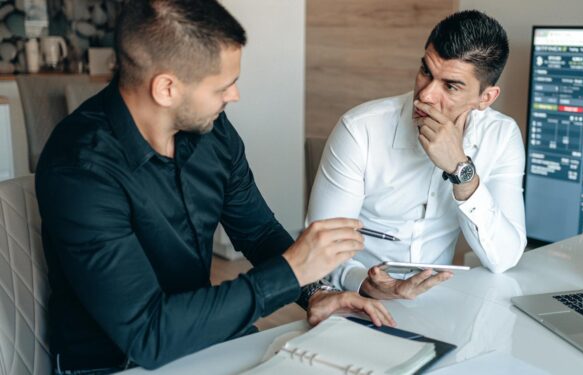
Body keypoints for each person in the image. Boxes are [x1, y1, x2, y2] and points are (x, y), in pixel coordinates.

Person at [36, 0, 393, 373]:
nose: (234, 95)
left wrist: (315, 292)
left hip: (205, 338)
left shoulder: (213, 133)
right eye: (224, 85)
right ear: (167, 88)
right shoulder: (79, 168)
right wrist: (290, 272)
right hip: (116, 362)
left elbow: (256, 231)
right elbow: (148, 335)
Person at [307, 10, 526, 300]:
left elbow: (504, 258)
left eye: (450, 86)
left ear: (485, 98)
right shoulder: (360, 130)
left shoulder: (501, 137)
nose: (425, 95)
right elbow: (319, 249)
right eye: (426, 72)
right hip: (354, 297)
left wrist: (462, 172)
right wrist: (367, 283)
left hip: (436, 302)